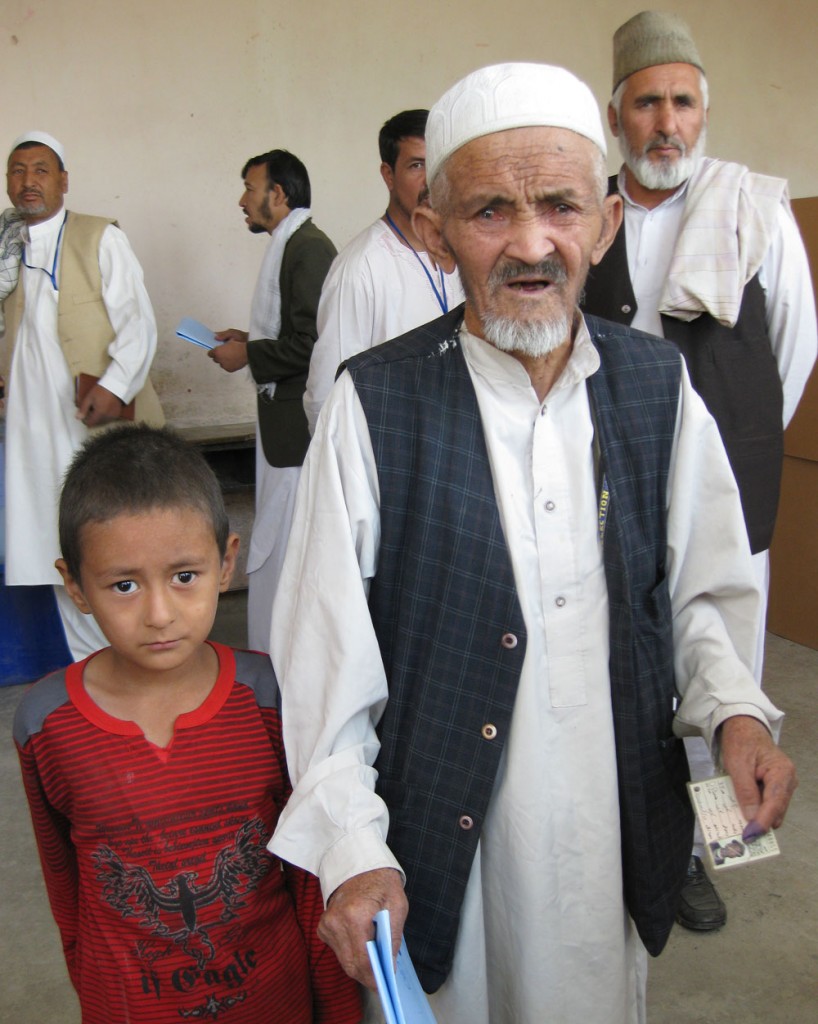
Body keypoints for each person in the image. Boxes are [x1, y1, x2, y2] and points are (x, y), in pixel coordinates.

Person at [268, 63, 797, 1024]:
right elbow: (324, 661)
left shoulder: (656, 385)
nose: (530, 243)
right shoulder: (373, 402)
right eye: (489, 213)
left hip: (615, 824)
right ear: (434, 232)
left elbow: (704, 596)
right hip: (444, 843)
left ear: (604, 221)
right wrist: (353, 851)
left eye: (559, 205)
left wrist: (737, 716)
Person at [580, 9, 817, 932]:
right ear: (616, 115)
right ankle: (660, 849)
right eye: (647, 103)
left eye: (682, 102)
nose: (665, 122)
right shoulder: (587, 214)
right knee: (635, 675)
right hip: (613, 495)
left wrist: (732, 450)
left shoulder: (752, 206)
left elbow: (792, 347)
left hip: (725, 492)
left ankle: (721, 846)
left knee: (728, 670)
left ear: (702, 114)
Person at [13, 424, 361, 1024]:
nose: (158, 613)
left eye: (184, 576)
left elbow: (310, 879)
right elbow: (67, 889)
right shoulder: (47, 724)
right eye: (124, 585)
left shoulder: (269, 700)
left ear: (226, 563)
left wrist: (336, 1009)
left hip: (273, 1003)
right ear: (75, 586)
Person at [1, 130, 164, 660]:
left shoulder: (100, 238)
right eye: (18, 171)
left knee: (105, 536)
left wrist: (115, 387)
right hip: (29, 428)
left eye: (41, 170)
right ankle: (90, 664)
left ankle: (129, 659)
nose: (29, 182)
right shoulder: (7, 246)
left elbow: (138, 324)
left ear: (64, 182)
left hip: (87, 426)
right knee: (49, 543)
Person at [208, 149, 336, 651]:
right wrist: (247, 338)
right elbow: (291, 329)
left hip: (295, 429)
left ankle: (285, 651)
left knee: (286, 545)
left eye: (249, 187)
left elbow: (314, 343)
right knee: (276, 541)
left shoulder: (308, 248)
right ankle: (274, 647)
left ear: (277, 195)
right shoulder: (291, 243)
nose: (243, 200)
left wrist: (249, 356)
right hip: (279, 419)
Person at [303, 110, 463, 433]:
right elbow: (325, 398)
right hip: (396, 456)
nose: (431, 180)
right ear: (388, 175)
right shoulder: (360, 269)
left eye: (438, 165)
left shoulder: (465, 254)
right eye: (417, 165)